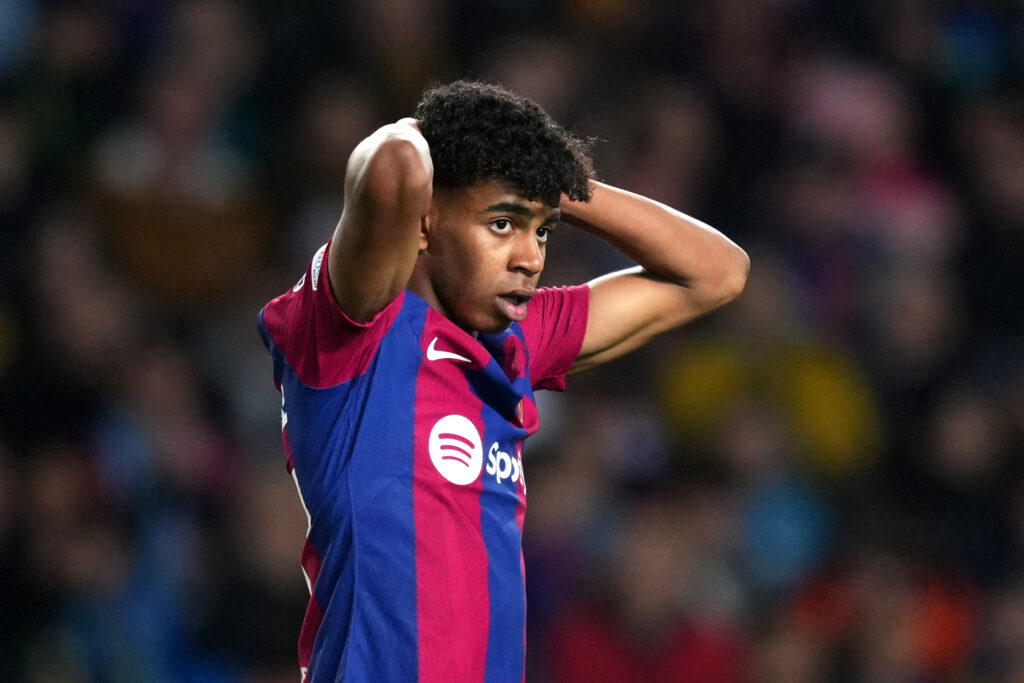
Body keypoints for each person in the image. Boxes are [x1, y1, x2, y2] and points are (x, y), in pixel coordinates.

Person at [257, 80, 749, 683]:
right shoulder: (352, 333)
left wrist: (553, 182)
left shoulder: (520, 339)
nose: (531, 257)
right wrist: (458, 139)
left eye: (541, 229)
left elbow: (718, 273)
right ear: (424, 224)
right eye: (502, 224)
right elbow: (393, 165)